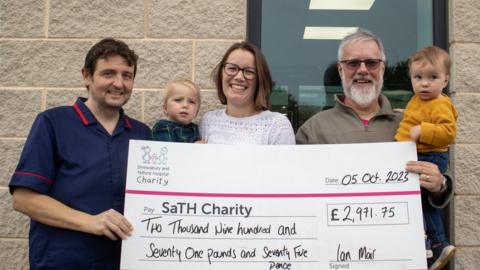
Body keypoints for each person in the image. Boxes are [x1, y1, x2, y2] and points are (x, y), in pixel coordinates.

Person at [296, 29, 454, 270]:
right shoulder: (313, 128)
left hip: (399, 257)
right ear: (340, 70)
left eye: (371, 62)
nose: (362, 70)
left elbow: (442, 186)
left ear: (382, 69)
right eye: (352, 63)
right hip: (335, 256)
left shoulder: (410, 125)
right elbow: (295, 195)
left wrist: (439, 184)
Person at [9, 38, 151, 269]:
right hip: (63, 262)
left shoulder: (141, 133)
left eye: (127, 75)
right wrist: (90, 222)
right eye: (108, 73)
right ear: (86, 75)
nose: (119, 83)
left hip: (123, 262)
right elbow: (23, 199)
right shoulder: (53, 123)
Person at [395, 45, 457, 269]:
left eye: (433, 77)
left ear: (446, 80)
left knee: (420, 201)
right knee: (417, 200)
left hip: (430, 156)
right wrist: (404, 115)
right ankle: (431, 242)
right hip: (420, 154)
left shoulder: (440, 103)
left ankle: (434, 242)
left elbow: (448, 132)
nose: (424, 83)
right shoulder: (418, 100)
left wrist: (424, 130)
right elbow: (417, 115)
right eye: (418, 77)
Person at [200, 41, 295, 145]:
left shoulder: (277, 126)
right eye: (232, 68)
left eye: (249, 71)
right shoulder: (207, 121)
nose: (239, 77)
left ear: (260, 80)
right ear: (221, 75)